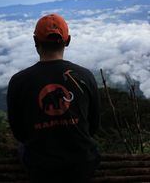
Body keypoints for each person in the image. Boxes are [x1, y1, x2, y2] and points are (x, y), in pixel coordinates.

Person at [7, 14, 101, 183]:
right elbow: (93, 126)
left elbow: (19, 133)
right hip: (84, 164)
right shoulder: (85, 76)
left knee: (22, 148)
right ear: (68, 40)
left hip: (40, 168)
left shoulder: (18, 81)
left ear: (35, 41)